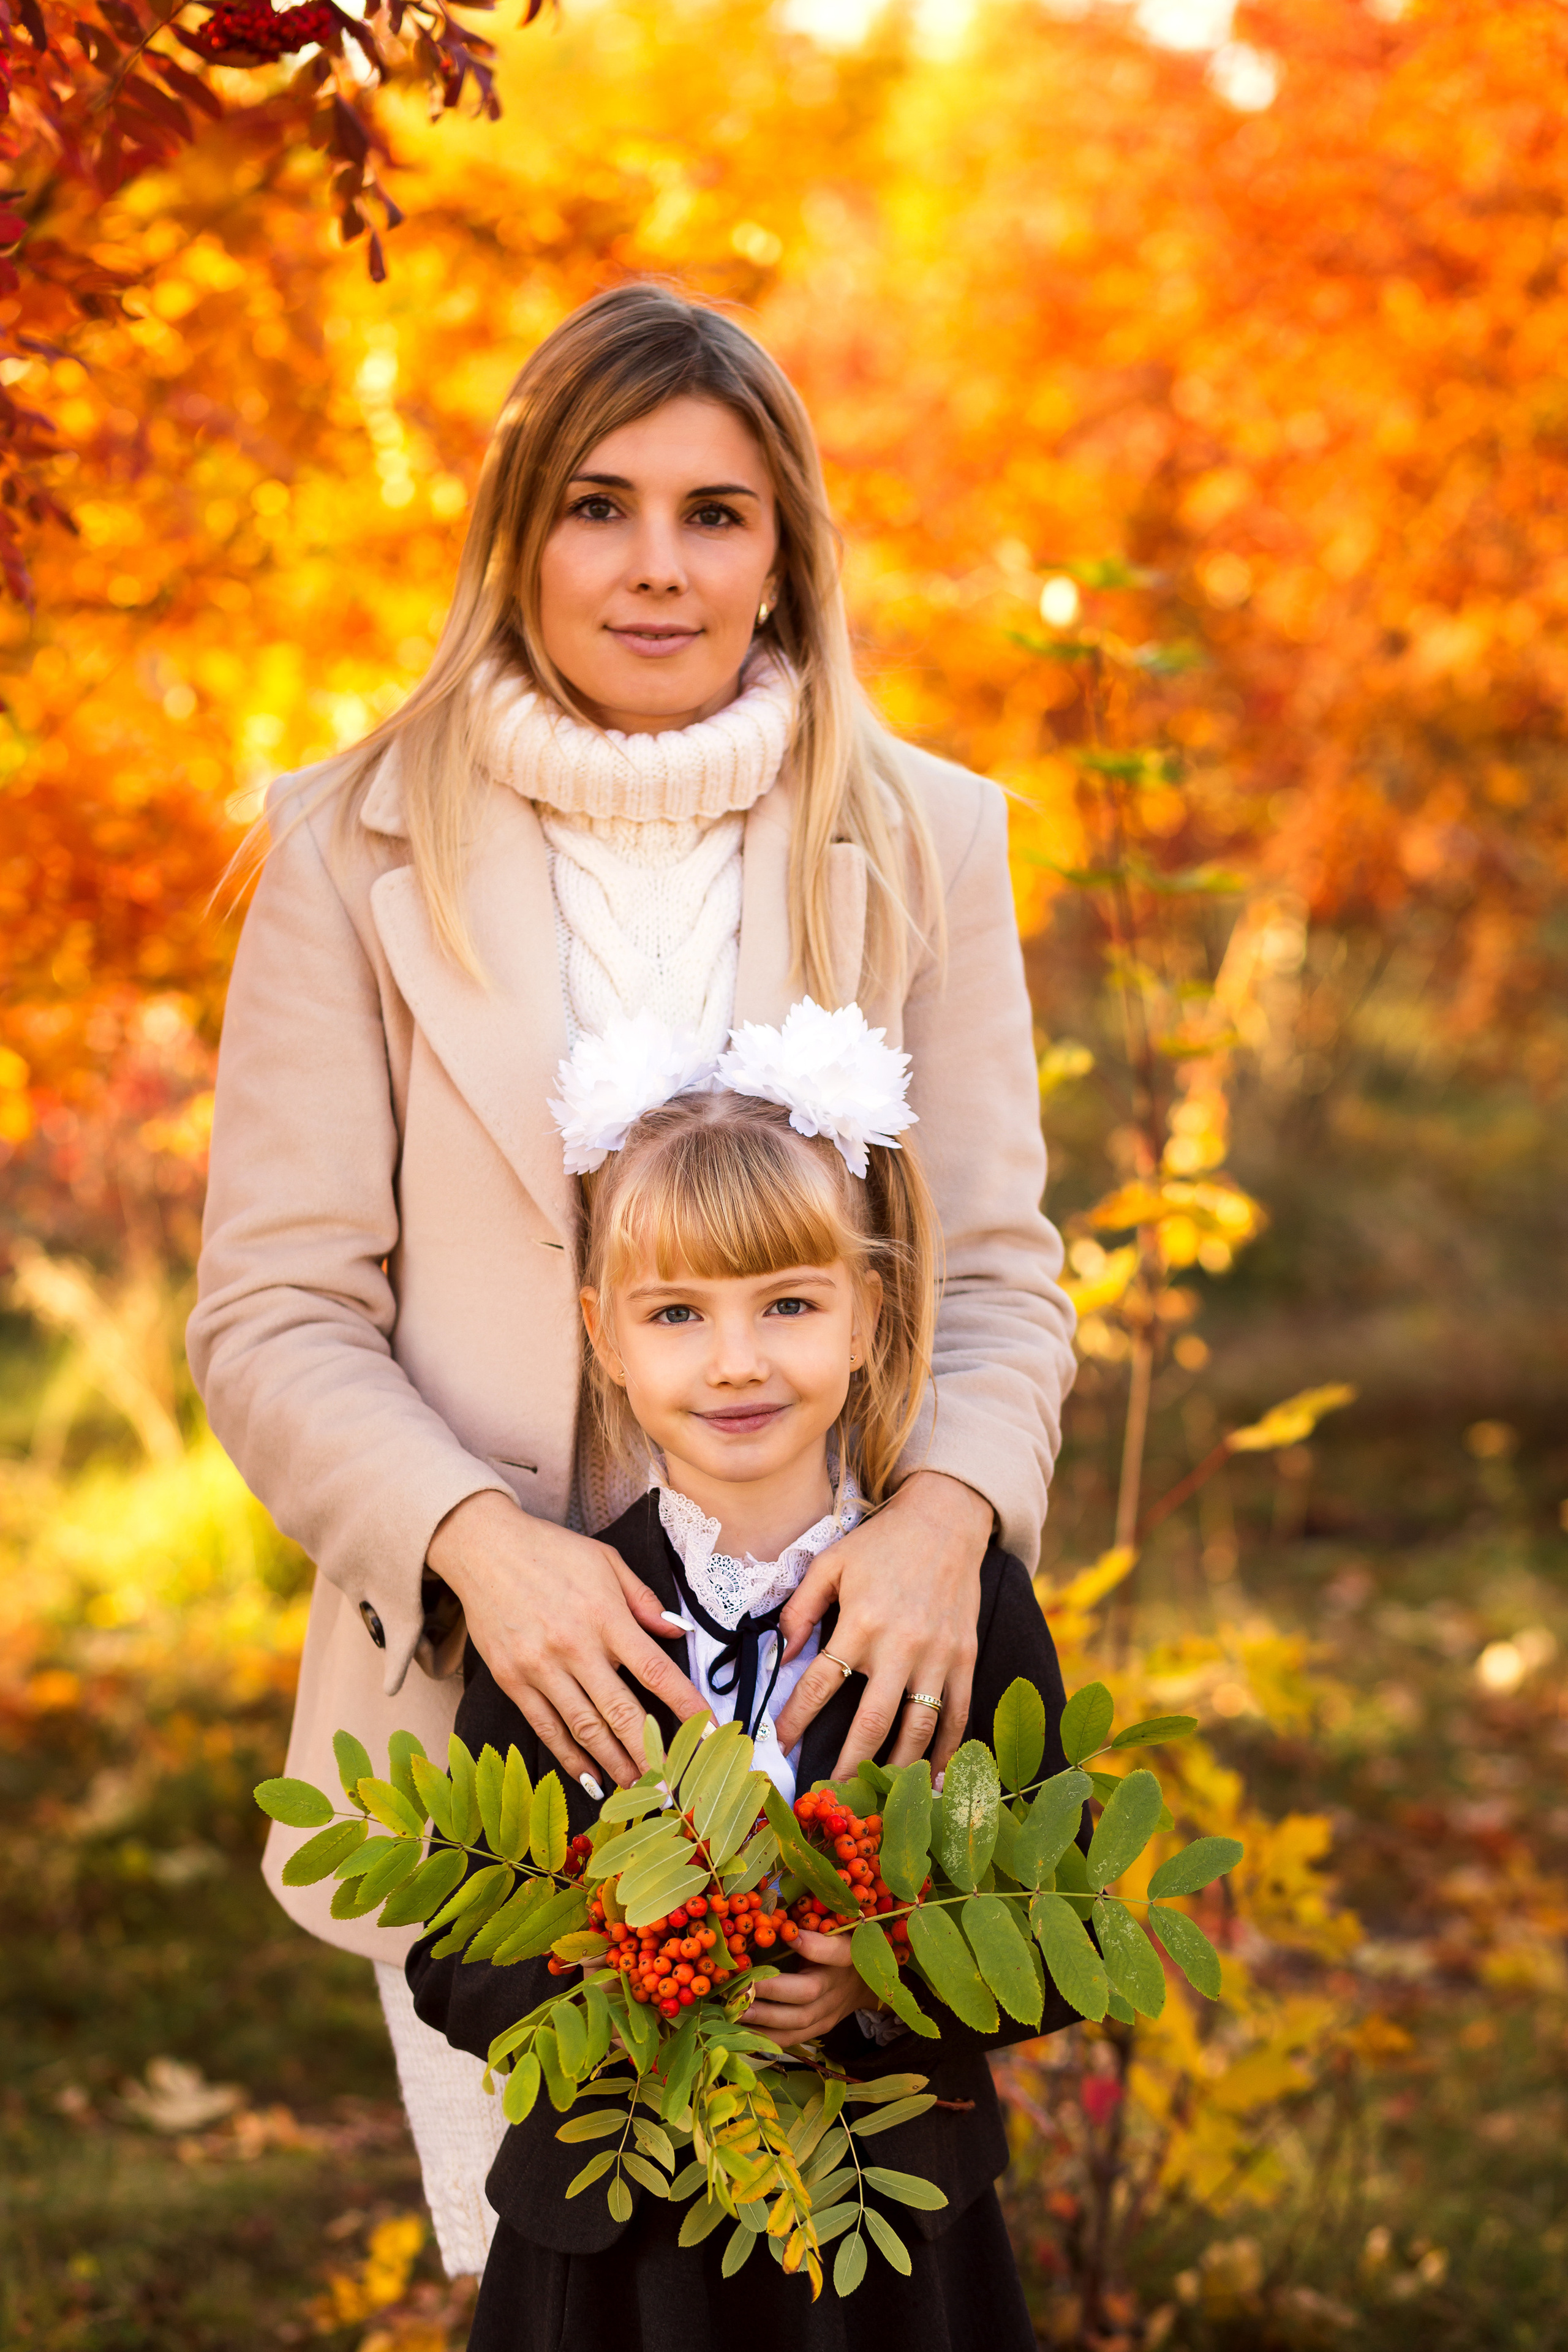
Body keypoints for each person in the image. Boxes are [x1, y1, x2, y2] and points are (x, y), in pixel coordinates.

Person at [187, 282, 1076, 2274]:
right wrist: (480, 1552)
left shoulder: (926, 837)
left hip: (842, 1734)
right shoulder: (350, 844)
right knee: (556, 2284)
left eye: (715, 512)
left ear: (786, 550)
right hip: (498, 1756)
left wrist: (948, 1518)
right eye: (599, 506)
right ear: (519, 533)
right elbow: (273, 1310)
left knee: (846, 2290)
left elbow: (1002, 1274)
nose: (657, 567)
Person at [408, 1012, 1079, 2352]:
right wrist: (623, 1961)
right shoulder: (560, 1622)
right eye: (676, 1314)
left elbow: (1057, 1926)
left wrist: (876, 1977)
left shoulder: (961, 1603)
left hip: (883, 2241)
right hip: (614, 2244)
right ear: (604, 1336)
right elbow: (454, 1960)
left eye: (787, 1304)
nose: (733, 1360)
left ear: (867, 1314)